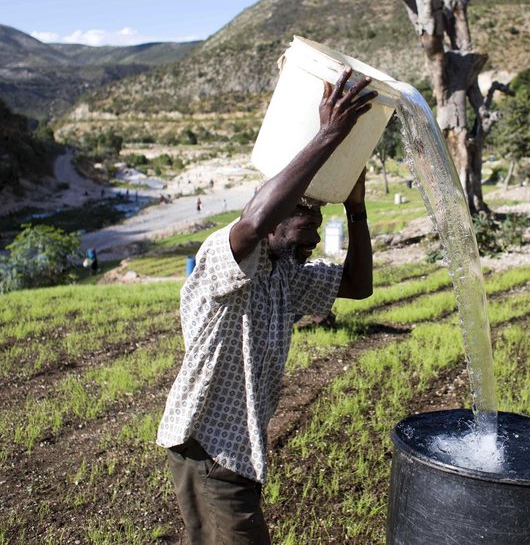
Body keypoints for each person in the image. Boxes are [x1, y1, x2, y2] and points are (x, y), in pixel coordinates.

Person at [156, 67, 377, 544]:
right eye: (306, 223)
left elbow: (358, 286)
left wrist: (355, 209)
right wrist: (330, 134)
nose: (317, 235)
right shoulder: (221, 257)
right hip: (209, 450)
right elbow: (254, 222)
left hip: (234, 453)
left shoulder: (285, 278)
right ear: (275, 220)